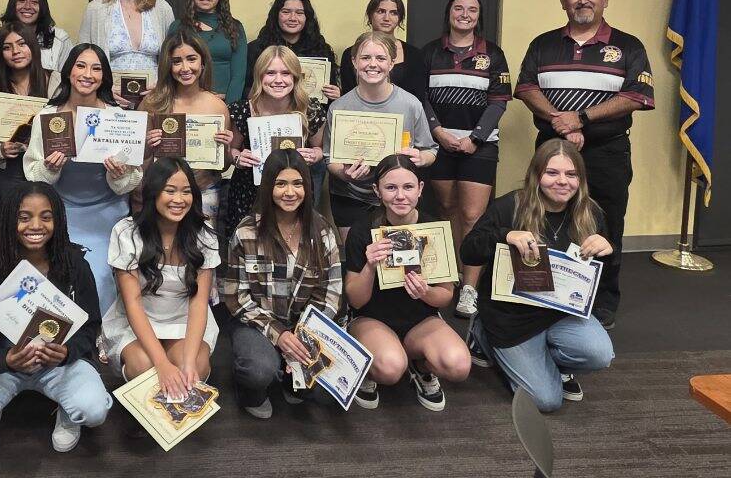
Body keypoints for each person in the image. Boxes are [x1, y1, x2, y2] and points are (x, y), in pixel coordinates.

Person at [514, 0, 654, 330]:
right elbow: (527, 87)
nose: (583, 0)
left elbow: (636, 97)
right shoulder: (543, 44)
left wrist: (581, 119)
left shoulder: (628, 46)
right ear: (563, 1)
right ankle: (546, 292)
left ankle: (602, 300)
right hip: (551, 148)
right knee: (545, 218)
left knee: (607, 222)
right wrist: (560, 122)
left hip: (606, 152)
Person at [0, 183, 111, 460]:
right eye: (24, 217)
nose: (36, 225)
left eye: (46, 216)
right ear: (10, 220)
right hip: (2, 367)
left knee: (94, 410)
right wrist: (5, 359)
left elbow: (90, 325)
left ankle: (69, 413)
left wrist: (68, 353)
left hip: (57, 366)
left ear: (58, 220)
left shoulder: (75, 265)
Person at [462, 139, 615, 412]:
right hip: (511, 321)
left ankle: (544, 361)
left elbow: (596, 285)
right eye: (552, 173)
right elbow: (468, 252)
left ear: (580, 179)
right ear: (536, 175)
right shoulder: (510, 206)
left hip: (560, 314)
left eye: (571, 174)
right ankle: (482, 334)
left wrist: (607, 252)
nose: (562, 181)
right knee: (547, 401)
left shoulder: (590, 215)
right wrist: (505, 235)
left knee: (600, 354)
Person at [221, 150, 343, 419]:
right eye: (281, 184)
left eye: (298, 184)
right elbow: (235, 296)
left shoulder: (322, 231)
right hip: (257, 322)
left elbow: (331, 292)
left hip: (305, 325)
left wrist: (303, 336)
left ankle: (291, 379)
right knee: (259, 370)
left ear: (308, 187)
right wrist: (279, 335)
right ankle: (252, 390)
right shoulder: (246, 232)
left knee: (327, 392)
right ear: (268, 187)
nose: (290, 192)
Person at [344, 156, 470, 412]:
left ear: (421, 189)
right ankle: (369, 365)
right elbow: (355, 300)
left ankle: (421, 367)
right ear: (376, 191)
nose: (400, 195)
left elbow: (445, 296)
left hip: (420, 320)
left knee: (458, 365)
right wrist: (370, 265)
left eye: (408, 187)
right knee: (390, 368)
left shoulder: (434, 229)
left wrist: (425, 292)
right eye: (391, 188)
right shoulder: (362, 230)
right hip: (372, 318)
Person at [23, 43, 142, 314]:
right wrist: (50, 169)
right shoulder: (49, 116)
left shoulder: (119, 119)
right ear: (69, 72)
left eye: (96, 68)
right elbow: (32, 174)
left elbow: (133, 180)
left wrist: (118, 174)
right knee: (56, 276)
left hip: (107, 215)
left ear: (104, 77)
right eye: (81, 65)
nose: (87, 74)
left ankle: (100, 339)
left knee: (100, 277)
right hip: (60, 214)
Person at [421, 0, 512, 318]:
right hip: (440, 143)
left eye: (472, 9)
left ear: (478, 16)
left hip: (480, 146)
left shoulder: (494, 54)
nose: (464, 14)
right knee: (447, 208)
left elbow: (499, 101)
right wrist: (438, 132)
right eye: (458, 7)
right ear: (449, 13)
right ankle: (452, 274)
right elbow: (422, 99)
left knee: (473, 216)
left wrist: (475, 138)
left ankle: (470, 288)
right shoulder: (431, 52)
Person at [102, 158, 219, 392]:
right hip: (137, 320)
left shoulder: (204, 237)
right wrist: (163, 364)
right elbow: (133, 303)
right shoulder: (126, 233)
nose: (179, 200)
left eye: (186, 192)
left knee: (196, 367)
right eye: (170, 191)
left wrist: (186, 363)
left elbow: (198, 304)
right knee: (146, 369)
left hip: (183, 319)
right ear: (153, 193)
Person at [325, 31, 437, 236]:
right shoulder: (339, 107)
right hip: (351, 196)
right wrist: (345, 173)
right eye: (366, 57)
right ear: (354, 61)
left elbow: (430, 150)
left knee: (395, 264)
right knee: (357, 261)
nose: (373, 64)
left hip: (397, 197)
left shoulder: (410, 104)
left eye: (381, 58)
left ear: (392, 63)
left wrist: (420, 158)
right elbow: (329, 157)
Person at [223, 46, 326, 239]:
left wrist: (315, 154)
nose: (278, 80)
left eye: (286, 73)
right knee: (247, 247)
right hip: (249, 193)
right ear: (259, 76)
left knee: (292, 243)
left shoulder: (309, 109)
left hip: (294, 191)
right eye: (270, 73)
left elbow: (321, 149)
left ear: (295, 77)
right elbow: (232, 150)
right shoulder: (242, 110)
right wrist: (238, 157)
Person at [138, 30, 233, 227]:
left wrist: (225, 148)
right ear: (168, 66)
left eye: (191, 59)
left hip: (204, 193)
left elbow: (222, 166)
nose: (185, 68)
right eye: (176, 61)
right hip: (161, 195)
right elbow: (137, 164)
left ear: (203, 62)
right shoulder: (153, 103)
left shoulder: (217, 106)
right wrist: (148, 147)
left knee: (203, 253)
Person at [0, 22, 60, 200]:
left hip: (45, 165)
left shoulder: (54, 80)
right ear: (0, 54)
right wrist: (0, 150)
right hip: (8, 169)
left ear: (33, 46)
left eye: (21, 44)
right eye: (7, 47)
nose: (15, 51)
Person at [168, 0, 248, 102]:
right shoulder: (178, 27)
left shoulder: (235, 28)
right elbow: (168, 70)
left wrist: (228, 107)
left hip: (223, 103)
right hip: (185, 102)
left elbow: (238, 76)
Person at [243, 0, 339, 100]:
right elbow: (245, 90)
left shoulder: (321, 49)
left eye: (299, 13)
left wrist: (336, 94)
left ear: (307, 17)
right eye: (286, 12)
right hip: (269, 112)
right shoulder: (256, 49)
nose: (293, 18)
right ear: (276, 15)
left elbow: (331, 89)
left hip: (311, 113)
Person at [340, 0, 427, 100]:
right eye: (381, 11)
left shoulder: (415, 55)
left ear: (400, 18)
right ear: (370, 15)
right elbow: (349, 95)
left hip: (403, 115)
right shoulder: (350, 53)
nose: (387, 18)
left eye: (393, 13)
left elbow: (418, 98)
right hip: (361, 115)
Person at [0, 0, 73, 75]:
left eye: (34, 2)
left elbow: (66, 80)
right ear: (13, 5)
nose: (27, 6)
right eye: (22, 1)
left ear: (42, 7)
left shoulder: (60, 39)